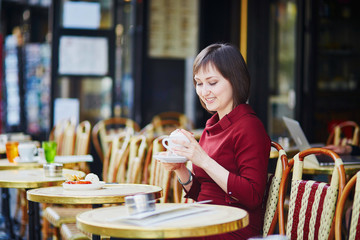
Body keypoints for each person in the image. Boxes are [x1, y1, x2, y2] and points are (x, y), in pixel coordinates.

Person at [158, 43, 271, 239]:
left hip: (232, 227)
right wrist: (180, 169)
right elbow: (201, 192)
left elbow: (253, 196)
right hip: (207, 219)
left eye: (212, 82)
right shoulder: (213, 125)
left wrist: (203, 160)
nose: (204, 91)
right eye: (199, 83)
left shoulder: (249, 126)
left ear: (235, 81)